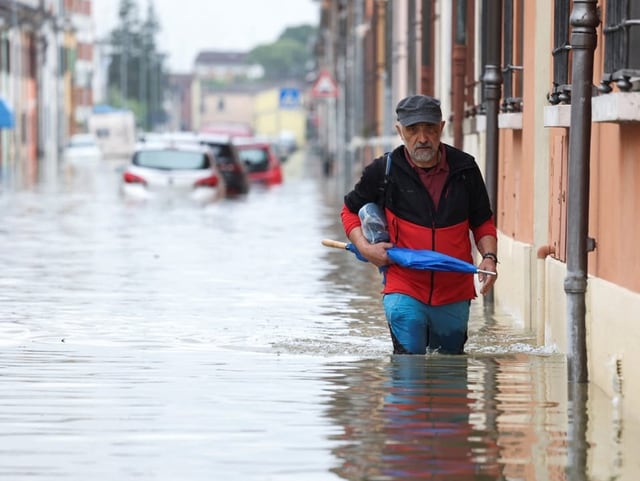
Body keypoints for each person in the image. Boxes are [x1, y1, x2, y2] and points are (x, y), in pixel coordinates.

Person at [340, 94, 498, 355]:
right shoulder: (383, 171)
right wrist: (365, 249)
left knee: (450, 372)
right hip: (404, 287)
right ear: (400, 131)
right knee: (408, 369)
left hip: (454, 291)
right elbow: (349, 211)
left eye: (430, 129)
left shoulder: (465, 168)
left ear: (442, 128)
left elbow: (482, 221)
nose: (422, 138)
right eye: (413, 129)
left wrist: (489, 257)